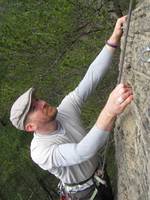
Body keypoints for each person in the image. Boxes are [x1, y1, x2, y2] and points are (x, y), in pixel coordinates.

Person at [10, 16, 133, 200]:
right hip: (85, 195)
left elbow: (91, 78)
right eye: (35, 107)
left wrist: (113, 39)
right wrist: (109, 110)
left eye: (37, 99)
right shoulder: (40, 151)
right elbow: (82, 151)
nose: (42, 102)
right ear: (30, 127)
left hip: (99, 176)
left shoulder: (65, 108)